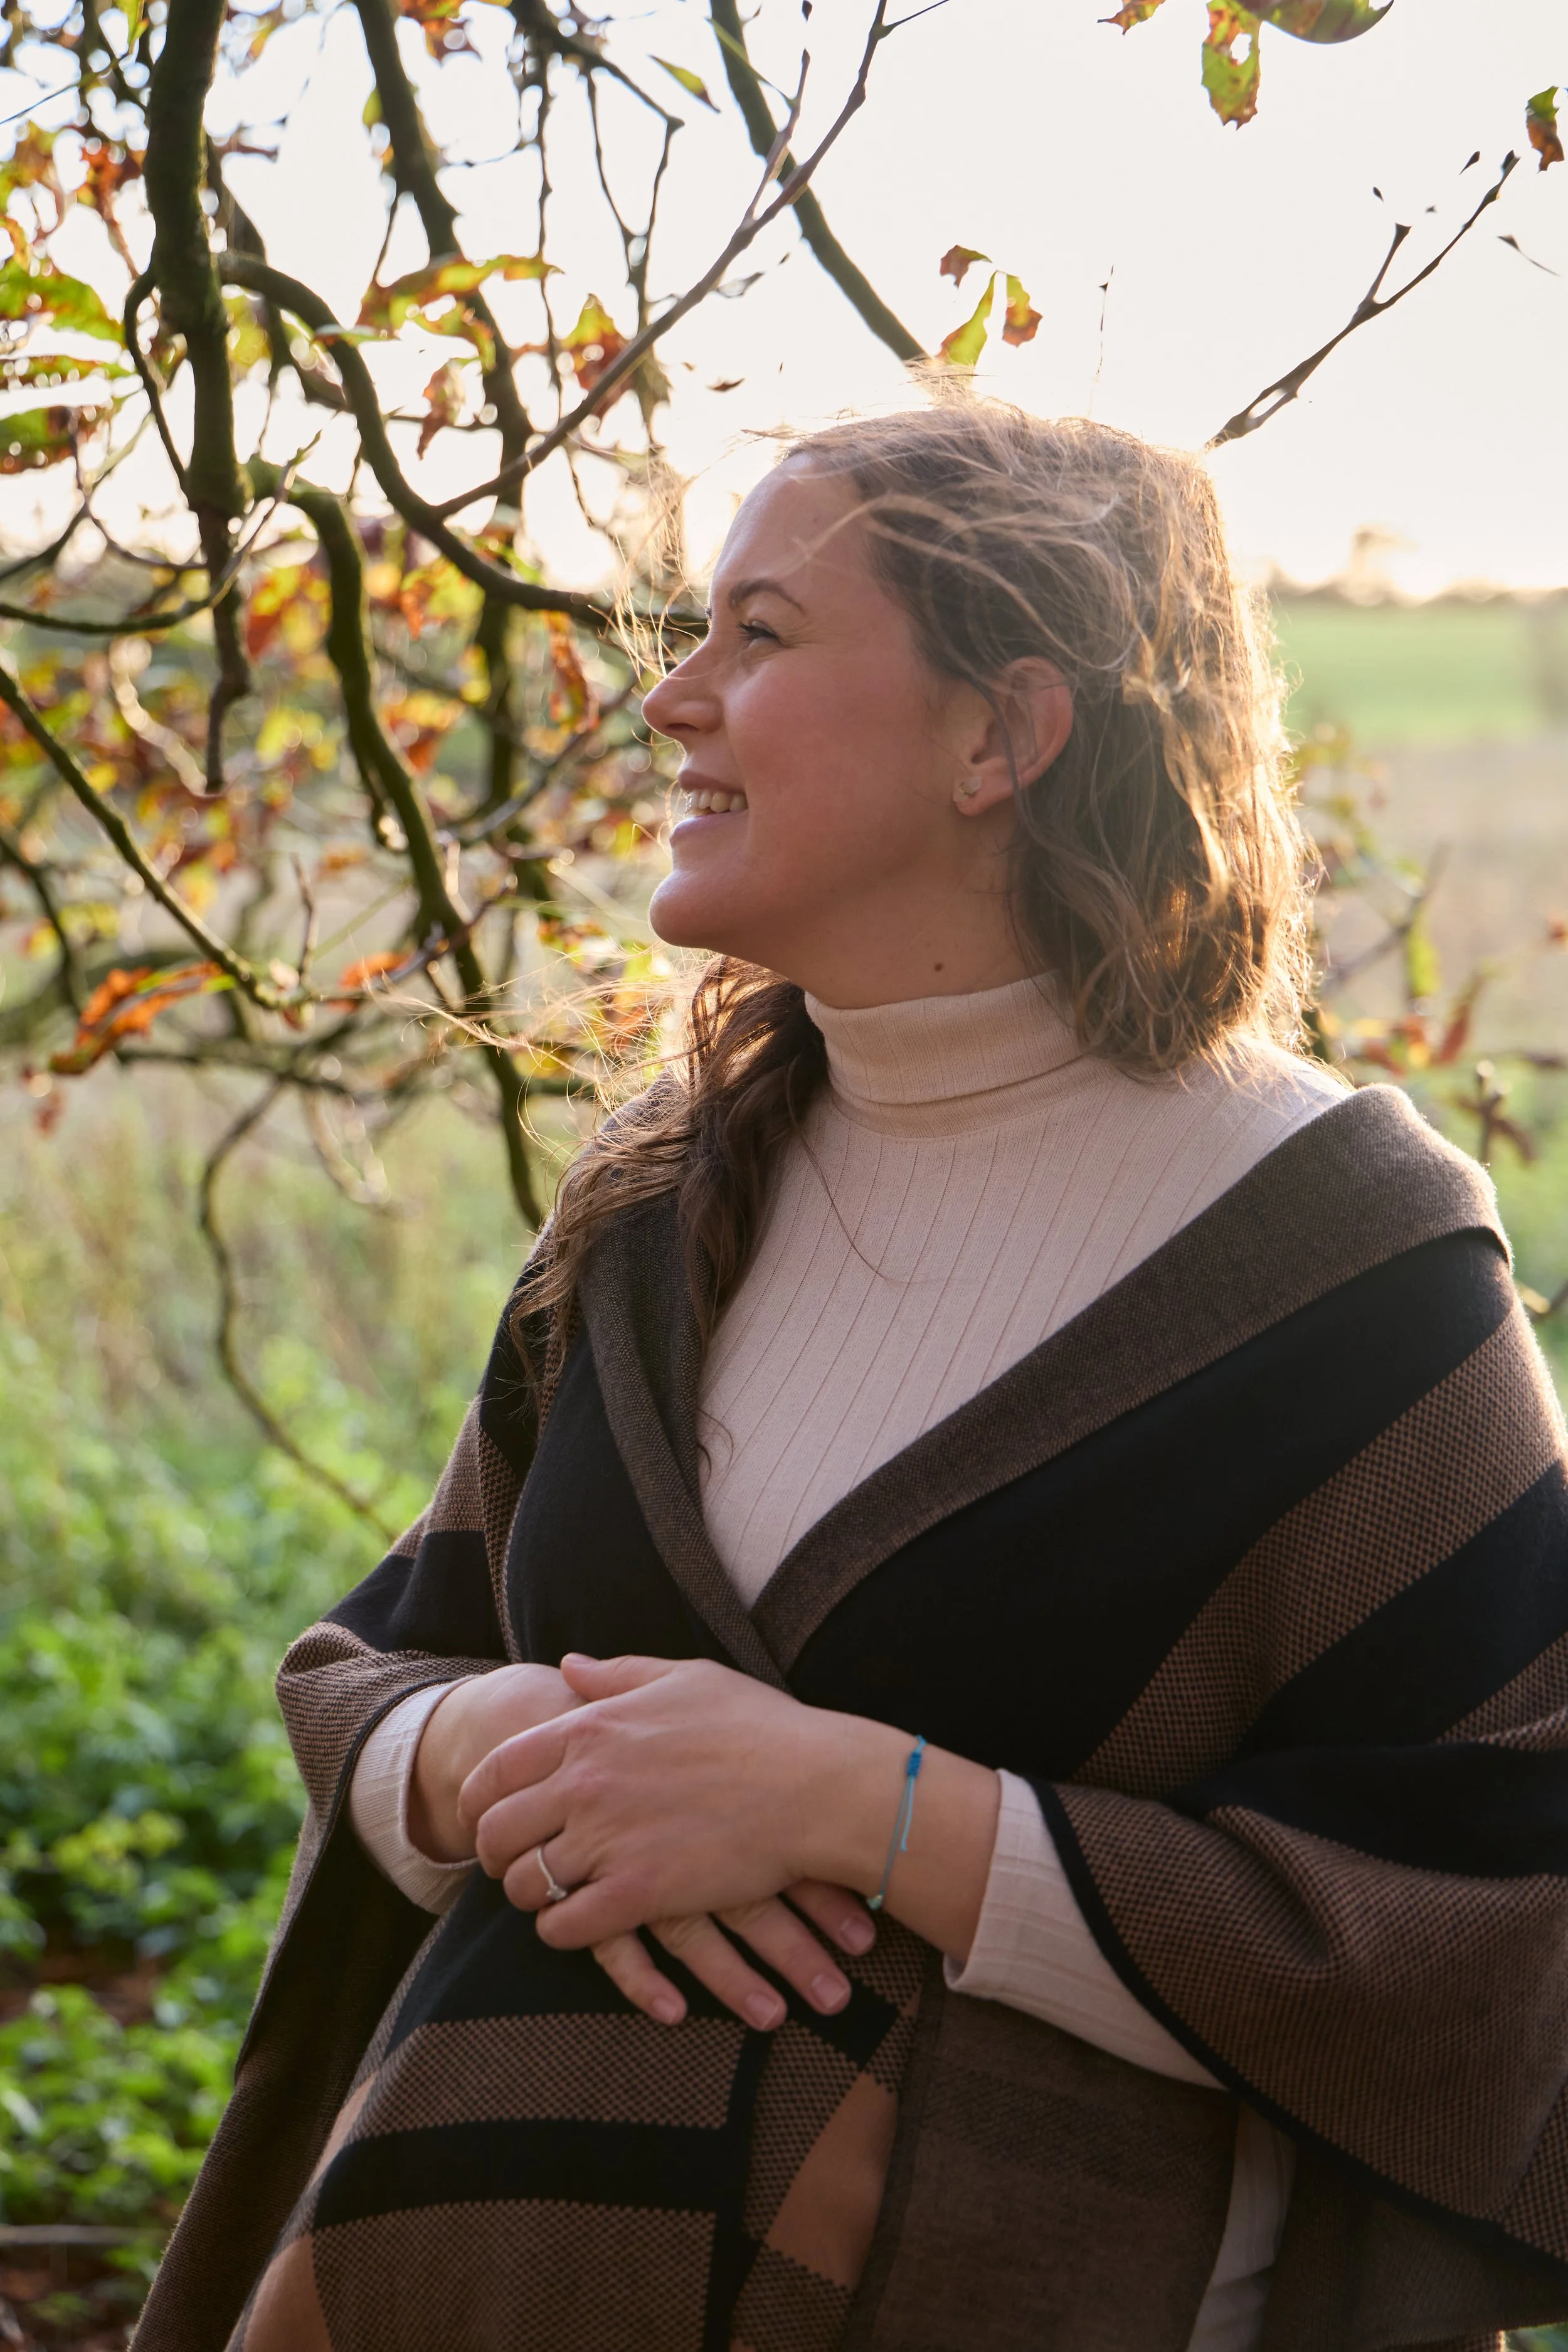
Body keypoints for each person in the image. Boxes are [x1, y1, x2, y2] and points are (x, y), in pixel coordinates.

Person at [135, 406, 1568, 2352]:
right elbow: (383, 1664)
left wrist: (876, 1809)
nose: (669, 700)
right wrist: (473, 1762)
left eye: (760, 633)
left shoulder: (1347, 1270)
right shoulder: (652, 1207)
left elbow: (1496, 1914)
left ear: (1005, 734)